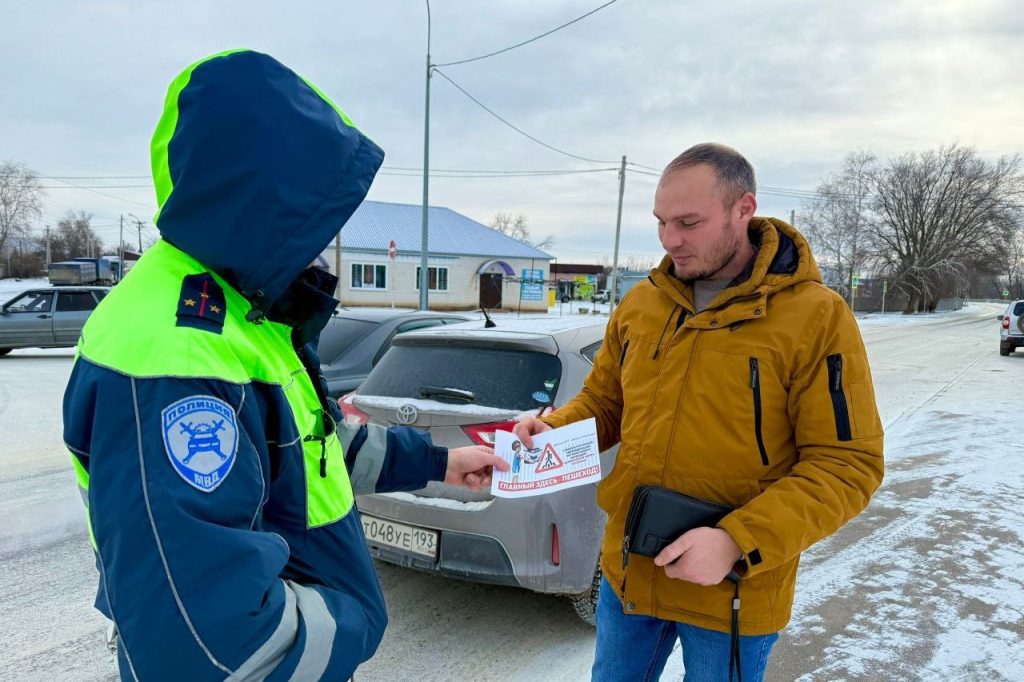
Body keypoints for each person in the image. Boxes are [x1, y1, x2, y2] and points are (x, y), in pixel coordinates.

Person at [62, 49, 506, 681]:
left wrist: (440, 461)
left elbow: (309, 448)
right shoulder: (178, 350)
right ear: (258, 201)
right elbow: (210, 648)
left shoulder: (245, 311)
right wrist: (353, 615)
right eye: (312, 212)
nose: (321, 239)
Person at [514, 143, 884, 681]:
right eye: (662, 222)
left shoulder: (816, 318)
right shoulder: (642, 304)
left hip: (733, 588)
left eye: (688, 222)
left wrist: (736, 542)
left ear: (743, 208)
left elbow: (846, 465)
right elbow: (606, 403)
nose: (669, 240)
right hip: (631, 574)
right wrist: (551, 430)